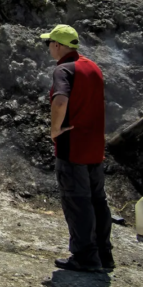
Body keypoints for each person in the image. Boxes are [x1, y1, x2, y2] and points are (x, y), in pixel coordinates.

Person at [41, 24, 113, 273]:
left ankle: (85, 257)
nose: (48, 47)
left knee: (77, 201)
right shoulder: (92, 66)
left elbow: (61, 100)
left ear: (58, 45)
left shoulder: (63, 69)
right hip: (94, 145)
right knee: (97, 200)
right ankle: (104, 254)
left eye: (49, 43)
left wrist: (54, 130)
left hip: (72, 145)